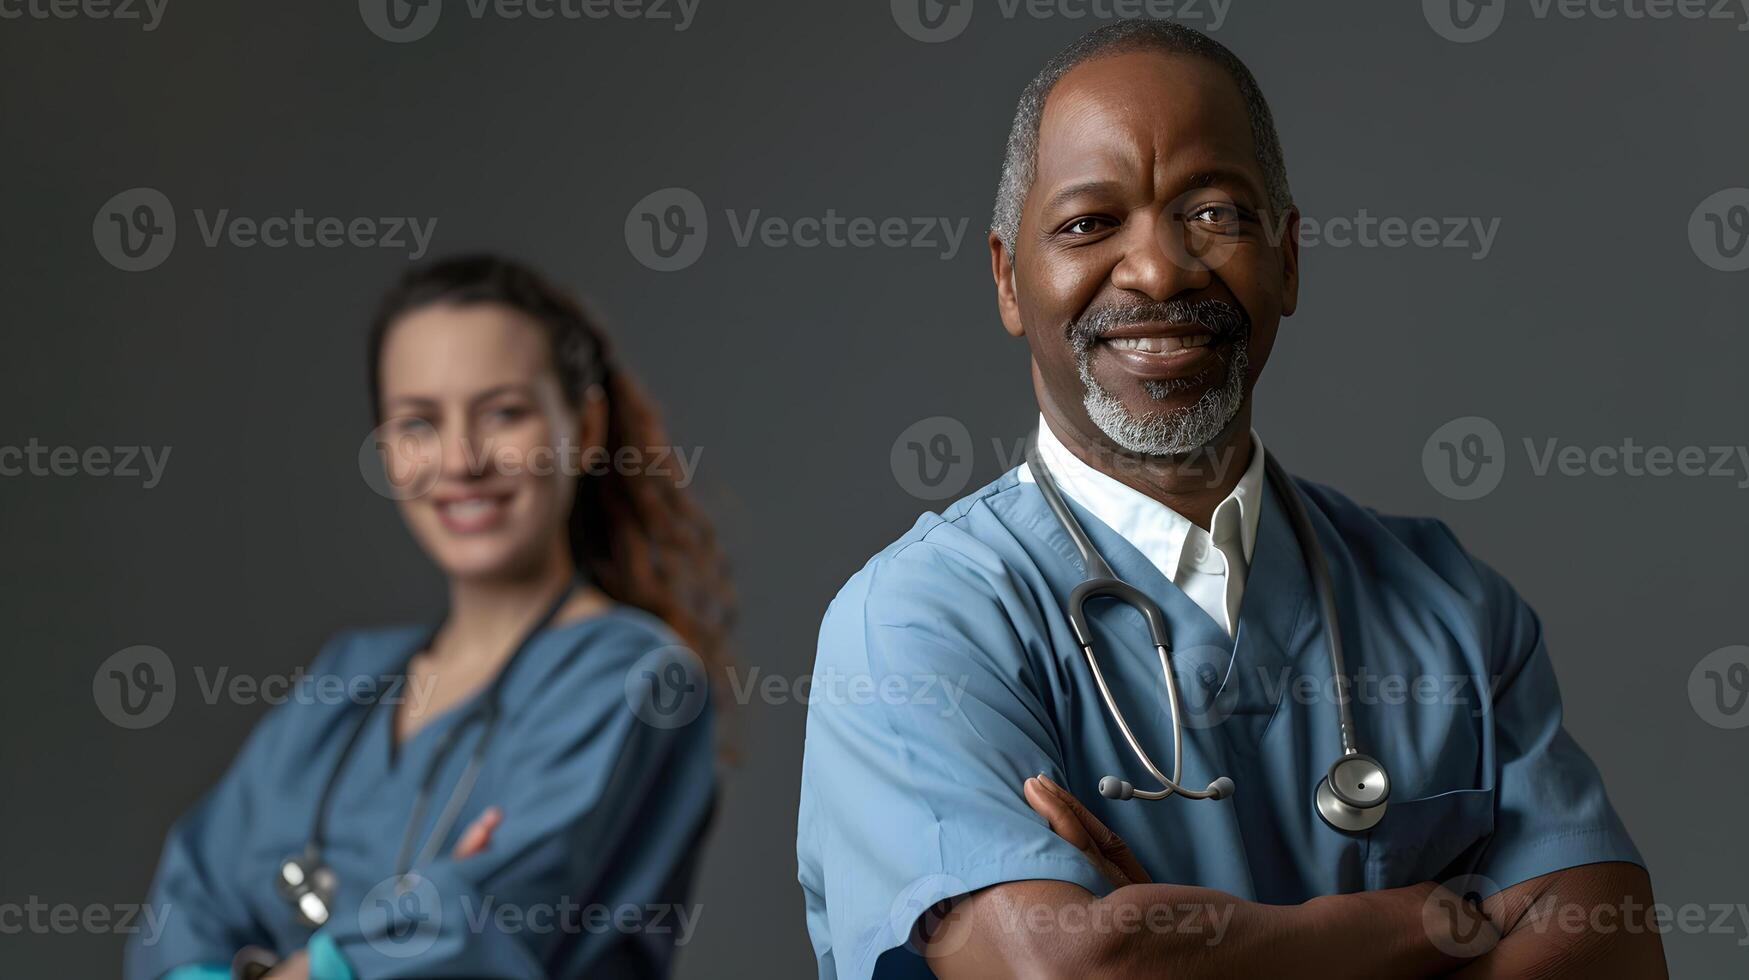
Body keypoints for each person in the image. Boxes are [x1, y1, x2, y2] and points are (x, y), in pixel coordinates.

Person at [796, 21, 1665, 980]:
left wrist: (1188, 942)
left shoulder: (1448, 602)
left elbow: (1609, 944)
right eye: (1089, 224)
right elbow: (1070, 971)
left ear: (1287, 260)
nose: (1159, 271)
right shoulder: (918, 624)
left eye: (1212, 213)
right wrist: (1428, 923)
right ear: (1009, 279)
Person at [127, 255, 732, 979]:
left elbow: (476, 937)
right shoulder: (347, 678)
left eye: (503, 412)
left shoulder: (634, 676)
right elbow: (187, 906)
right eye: (418, 421)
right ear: (385, 450)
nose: (461, 459)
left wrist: (298, 964)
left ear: (587, 425)